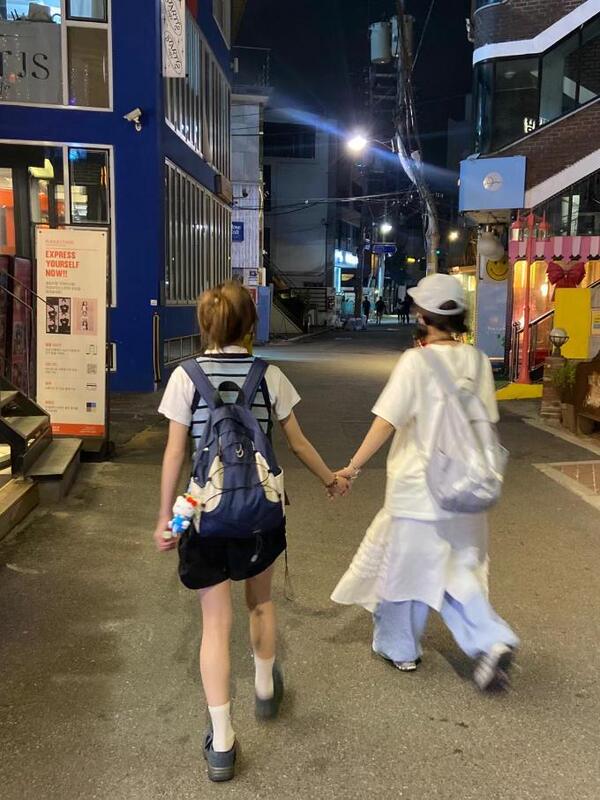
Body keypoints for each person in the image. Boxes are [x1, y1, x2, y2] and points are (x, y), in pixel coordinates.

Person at [155, 281, 349, 782]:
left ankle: (222, 742)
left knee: (215, 625)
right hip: (260, 513)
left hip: (204, 513)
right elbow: (298, 442)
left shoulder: (184, 377)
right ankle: (264, 685)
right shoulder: (270, 376)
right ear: (251, 325)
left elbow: (174, 454)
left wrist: (167, 520)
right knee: (260, 602)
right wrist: (330, 479)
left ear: (205, 325)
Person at [332, 273, 518, 690]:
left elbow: (386, 422)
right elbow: (486, 422)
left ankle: (400, 649)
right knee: (457, 569)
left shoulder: (415, 362)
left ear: (423, 316)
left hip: (418, 490)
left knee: (405, 573)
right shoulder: (477, 361)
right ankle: (490, 639)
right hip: (468, 489)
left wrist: (352, 468)